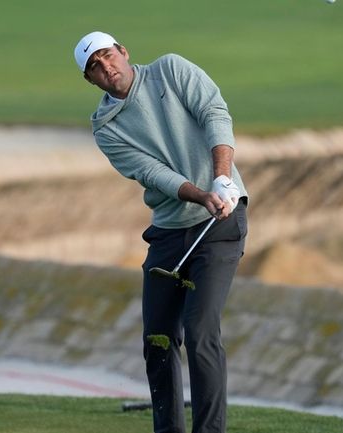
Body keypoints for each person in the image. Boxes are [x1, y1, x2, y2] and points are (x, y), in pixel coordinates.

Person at [74, 31, 248, 433]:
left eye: (107, 56)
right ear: (91, 81)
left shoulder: (170, 70)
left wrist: (221, 180)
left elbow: (214, 113)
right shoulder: (106, 128)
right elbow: (153, 173)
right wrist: (199, 193)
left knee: (200, 331)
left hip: (220, 219)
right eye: (94, 68)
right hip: (170, 230)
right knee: (158, 339)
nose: (106, 68)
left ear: (123, 52)